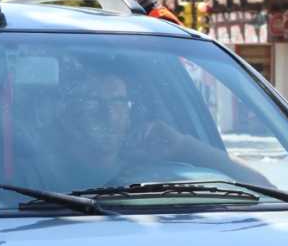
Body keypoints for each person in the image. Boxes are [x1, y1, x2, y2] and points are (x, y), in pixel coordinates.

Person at [48, 66, 268, 191]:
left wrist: (184, 146)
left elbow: (263, 188)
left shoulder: (159, 174)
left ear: (130, 114)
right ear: (70, 115)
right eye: (93, 102)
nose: (109, 114)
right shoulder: (38, 176)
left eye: (118, 102)